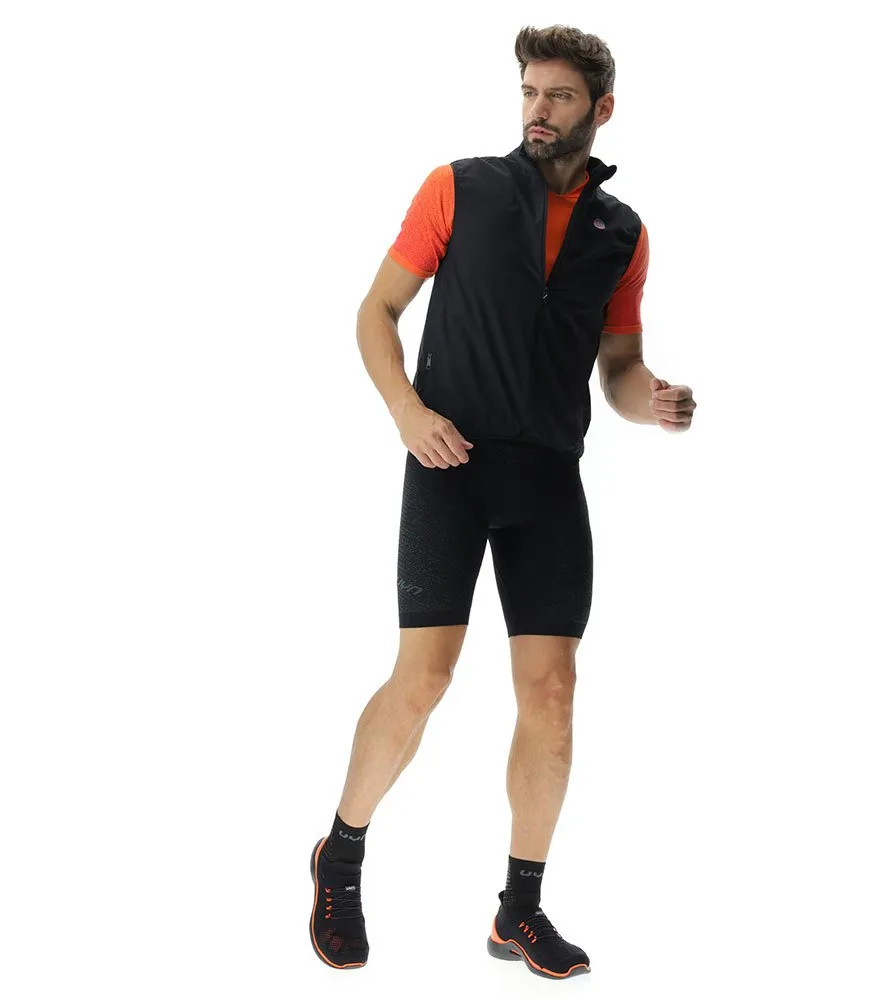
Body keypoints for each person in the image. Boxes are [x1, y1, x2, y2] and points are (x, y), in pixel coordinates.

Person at [309, 23, 697, 980]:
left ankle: (518, 909)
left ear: (602, 109)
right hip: (449, 464)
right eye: (529, 91)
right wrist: (407, 412)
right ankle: (340, 856)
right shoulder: (458, 188)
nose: (538, 110)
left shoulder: (622, 233)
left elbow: (618, 365)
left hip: (549, 481)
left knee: (554, 693)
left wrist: (650, 400)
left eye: (559, 95)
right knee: (424, 680)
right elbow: (375, 311)